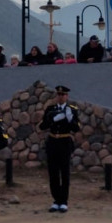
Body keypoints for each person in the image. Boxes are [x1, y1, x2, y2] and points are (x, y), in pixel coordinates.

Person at [39, 85, 81, 213]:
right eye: (59, 94)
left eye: (63, 95)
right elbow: (42, 126)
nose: (61, 97)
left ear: (67, 96)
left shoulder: (72, 110)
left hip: (64, 142)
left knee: (65, 172)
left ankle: (64, 201)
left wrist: (69, 119)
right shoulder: (50, 109)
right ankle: (56, 200)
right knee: (53, 173)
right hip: (53, 142)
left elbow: (76, 128)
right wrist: (52, 119)